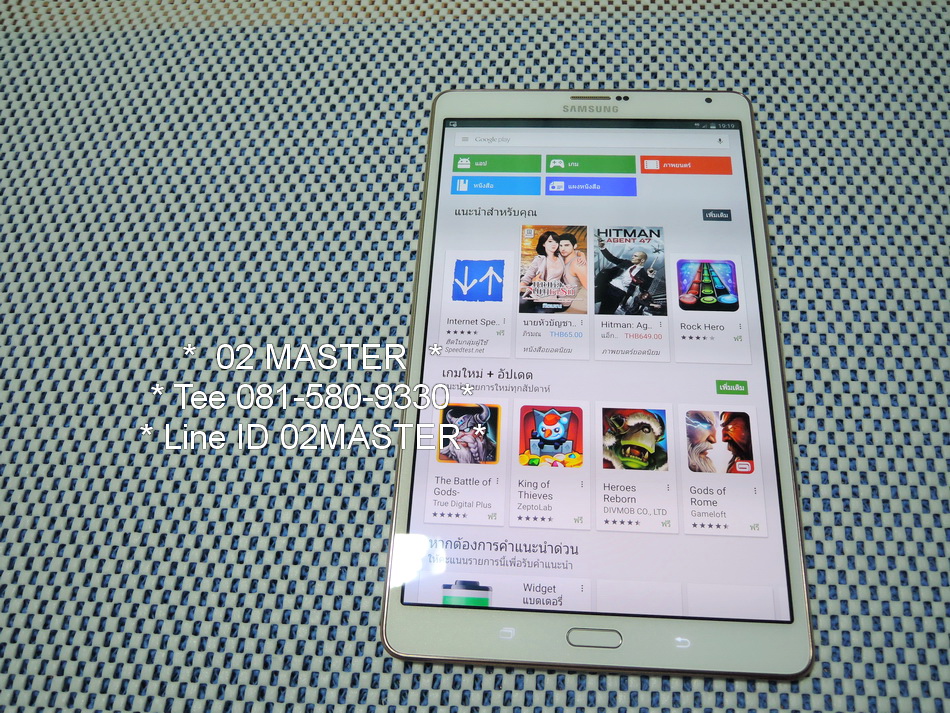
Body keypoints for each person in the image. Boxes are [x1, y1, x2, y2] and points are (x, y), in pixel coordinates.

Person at [595, 238, 656, 315]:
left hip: (618, 293)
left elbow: (644, 288)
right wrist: (603, 248)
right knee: (590, 300)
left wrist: (650, 276)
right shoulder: (626, 263)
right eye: (633, 255)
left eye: (635, 256)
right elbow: (612, 258)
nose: (632, 257)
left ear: (642, 260)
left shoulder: (643, 274)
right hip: (607, 286)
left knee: (606, 312)